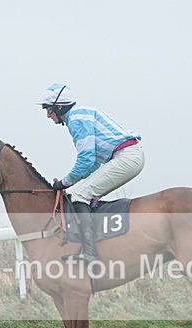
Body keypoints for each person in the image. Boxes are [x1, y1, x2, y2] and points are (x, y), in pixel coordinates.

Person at [38, 83, 144, 262]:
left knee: (79, 194)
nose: (48, 115)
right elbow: (93, 163)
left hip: (126, 157)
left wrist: (64, 182)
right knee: (80, 191)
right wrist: (71, 182)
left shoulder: (76, 119)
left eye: (49, 109)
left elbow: (86, 159)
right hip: (127, 155)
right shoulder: (80, 114)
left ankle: (89, 253)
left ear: (59, 106)